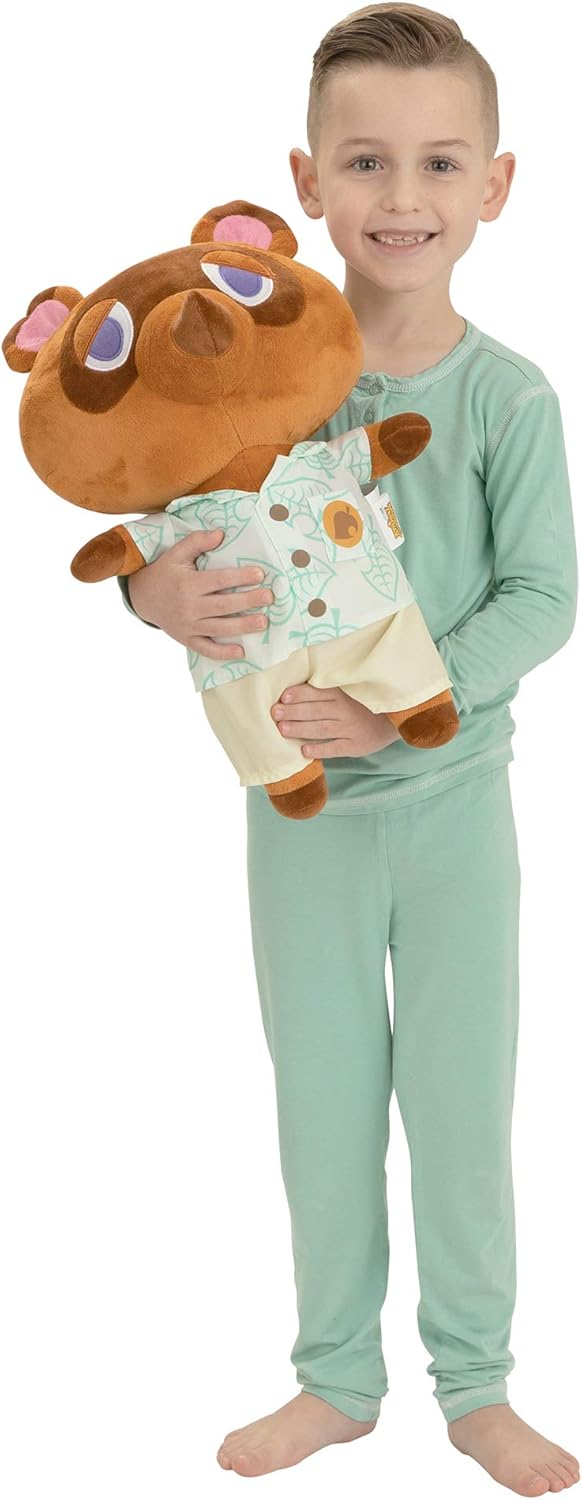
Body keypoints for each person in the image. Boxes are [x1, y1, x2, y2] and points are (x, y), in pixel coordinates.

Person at [117, 5, 579, 1491]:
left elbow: (546, 594)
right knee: (319, 1104)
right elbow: (165, 514)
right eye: (365, 160)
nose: (401, 195)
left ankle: (476, 1384)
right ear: (304, 184)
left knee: (459, 1108)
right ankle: (333, 1380)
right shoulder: (254, 378)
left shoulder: (506, 396)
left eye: (439, 162)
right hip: (301, 813)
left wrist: (409, 704)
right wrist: (148, 593)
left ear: (493, 185)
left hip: (451, 809)